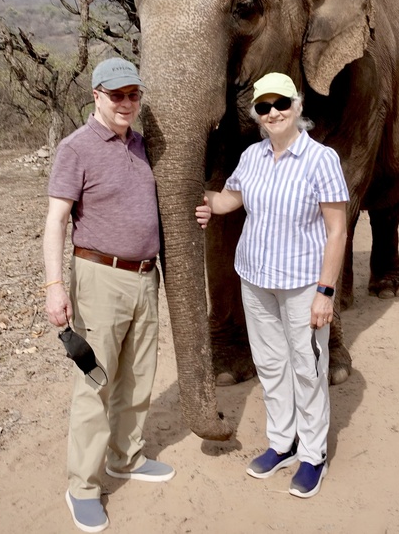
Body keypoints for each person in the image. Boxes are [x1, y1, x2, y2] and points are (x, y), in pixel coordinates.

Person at [195, 72, 349, 499]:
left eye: (281, 103)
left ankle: (313, 454)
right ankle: (283, 442)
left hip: (303, 284)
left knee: (307, 365)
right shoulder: (253, 157)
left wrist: (326, 292)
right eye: (264, 107)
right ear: (257, 115)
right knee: (271, 364)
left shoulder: (322, 160)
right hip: (256, 279)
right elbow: (231, 200)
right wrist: (203, 201)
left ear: (298, 106)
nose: (273, 112)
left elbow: (337, 231)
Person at [44, 57, 174, 533]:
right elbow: (56, 221)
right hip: (99, 276)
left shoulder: (143, 146)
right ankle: (82, 486)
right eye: (116, 95)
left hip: (145, 276)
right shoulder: (76, 148)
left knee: (139, 376)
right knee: (96, 381)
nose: (126, 103)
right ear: (96, 95)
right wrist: (55, 286)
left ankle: (126, 457)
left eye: (133, 95)